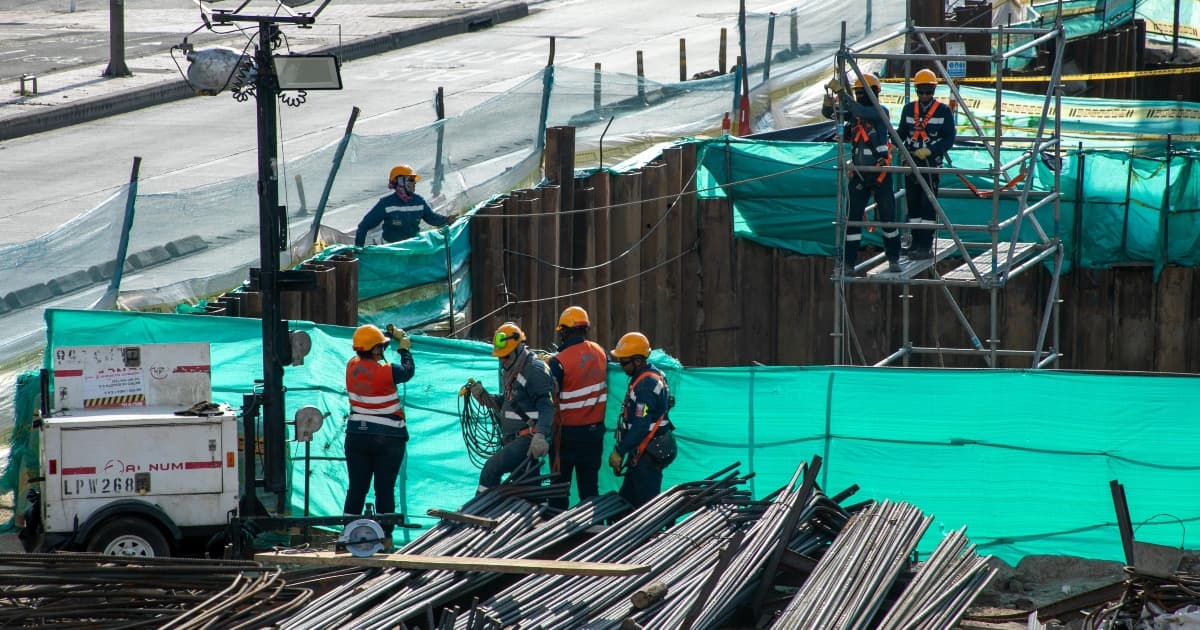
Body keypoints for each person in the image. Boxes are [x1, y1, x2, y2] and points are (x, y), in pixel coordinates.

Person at [822, 72, 902, 274]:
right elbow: (831, 114)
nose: (860, 96)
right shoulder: (856, 115)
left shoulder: (879, 111)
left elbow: (859, 109)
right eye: (857, 93)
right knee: (853, 219)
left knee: (888, 218)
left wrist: (842, 91)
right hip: (859, 175)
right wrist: (828, 102)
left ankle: (894, 259)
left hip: (880, 172)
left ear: (874, 93)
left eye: (863, 92)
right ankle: (848, 263)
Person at [344, 323, 415, 543]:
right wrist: (404, 348)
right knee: (384, 489)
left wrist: (387, 336)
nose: (383, 350)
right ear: (376, 350)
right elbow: (407, 371)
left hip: (357, 436)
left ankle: (348, 534)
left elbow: (369, 350)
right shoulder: (387, 371)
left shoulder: (350, 366)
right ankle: (385, 536)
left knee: (357, 488)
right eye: (381, 347)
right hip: (388, 438)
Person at [467, 322, 556, 493]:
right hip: (513, 439)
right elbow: (509, 404)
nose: (502, 360)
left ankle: (477, 513)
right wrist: (484, 397)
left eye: (506, 356)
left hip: (527, 440)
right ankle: (531, 515)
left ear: (519, 348)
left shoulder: (534, 370)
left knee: (491, 469)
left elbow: (547, 406)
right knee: (526, 488)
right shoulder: (511, 371)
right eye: (500, 357)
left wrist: (540, 435)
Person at [546, 306, 609, 510]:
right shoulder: (600, 353)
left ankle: (555, 532)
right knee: (589, 489)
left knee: (559, 490)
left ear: (564, 331)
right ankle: (592, 532)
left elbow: (548, 397)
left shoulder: (559, 362)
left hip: (566, 437)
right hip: (594, 435)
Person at [607, 332, 676, 510]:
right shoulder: (651, 374)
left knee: (646, 509)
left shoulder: (645, 386)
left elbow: (640, 425)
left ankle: (651, 537)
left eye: (624, 362)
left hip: (648, 453)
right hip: (644, 449)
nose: (621, 366)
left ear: (638, 361)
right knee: (626, 504)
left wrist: (619, 451)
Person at [897, 68, 957, 260]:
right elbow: (902, 133)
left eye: (928, 92)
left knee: (928, 204)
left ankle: (926, 245)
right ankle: (915, 242)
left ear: (933, 91)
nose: (925, 95)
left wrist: (932, 150)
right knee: (913, 204)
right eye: (921, 91)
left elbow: (949, 138)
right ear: (916, 91)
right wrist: (897, 146)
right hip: (912, 162)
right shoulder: (908, 110)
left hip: (931, 164)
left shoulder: (943, 111)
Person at [354, 164, 457, 247]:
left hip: (412, 248)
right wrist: (359, 249)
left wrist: (447, 220)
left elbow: (432, 218)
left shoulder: (419, 201)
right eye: (411, 180)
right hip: (391, 249)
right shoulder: (386, 204)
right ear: (399, 181)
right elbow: (364, 226)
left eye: (414, 181)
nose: (414, 183)